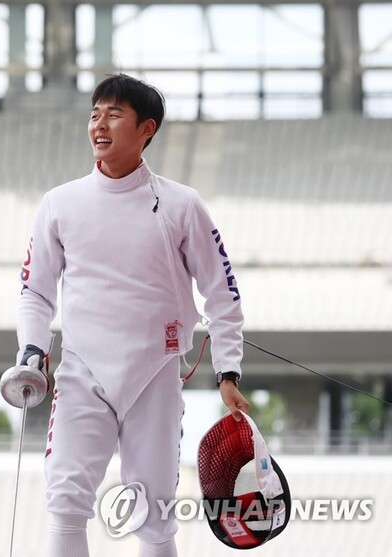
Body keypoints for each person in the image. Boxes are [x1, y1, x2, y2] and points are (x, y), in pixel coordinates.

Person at [14, 74, 251, 557]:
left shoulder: (182, 205)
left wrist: (228, 370)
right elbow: (35, 292)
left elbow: (222, 294)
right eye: (95, 113)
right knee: (65, 503)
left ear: (147, 129)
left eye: (114, 114)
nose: (99, 124)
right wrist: (33, 352)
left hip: (155, 375)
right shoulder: (60, 204)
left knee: (156, 514)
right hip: (83, 372)